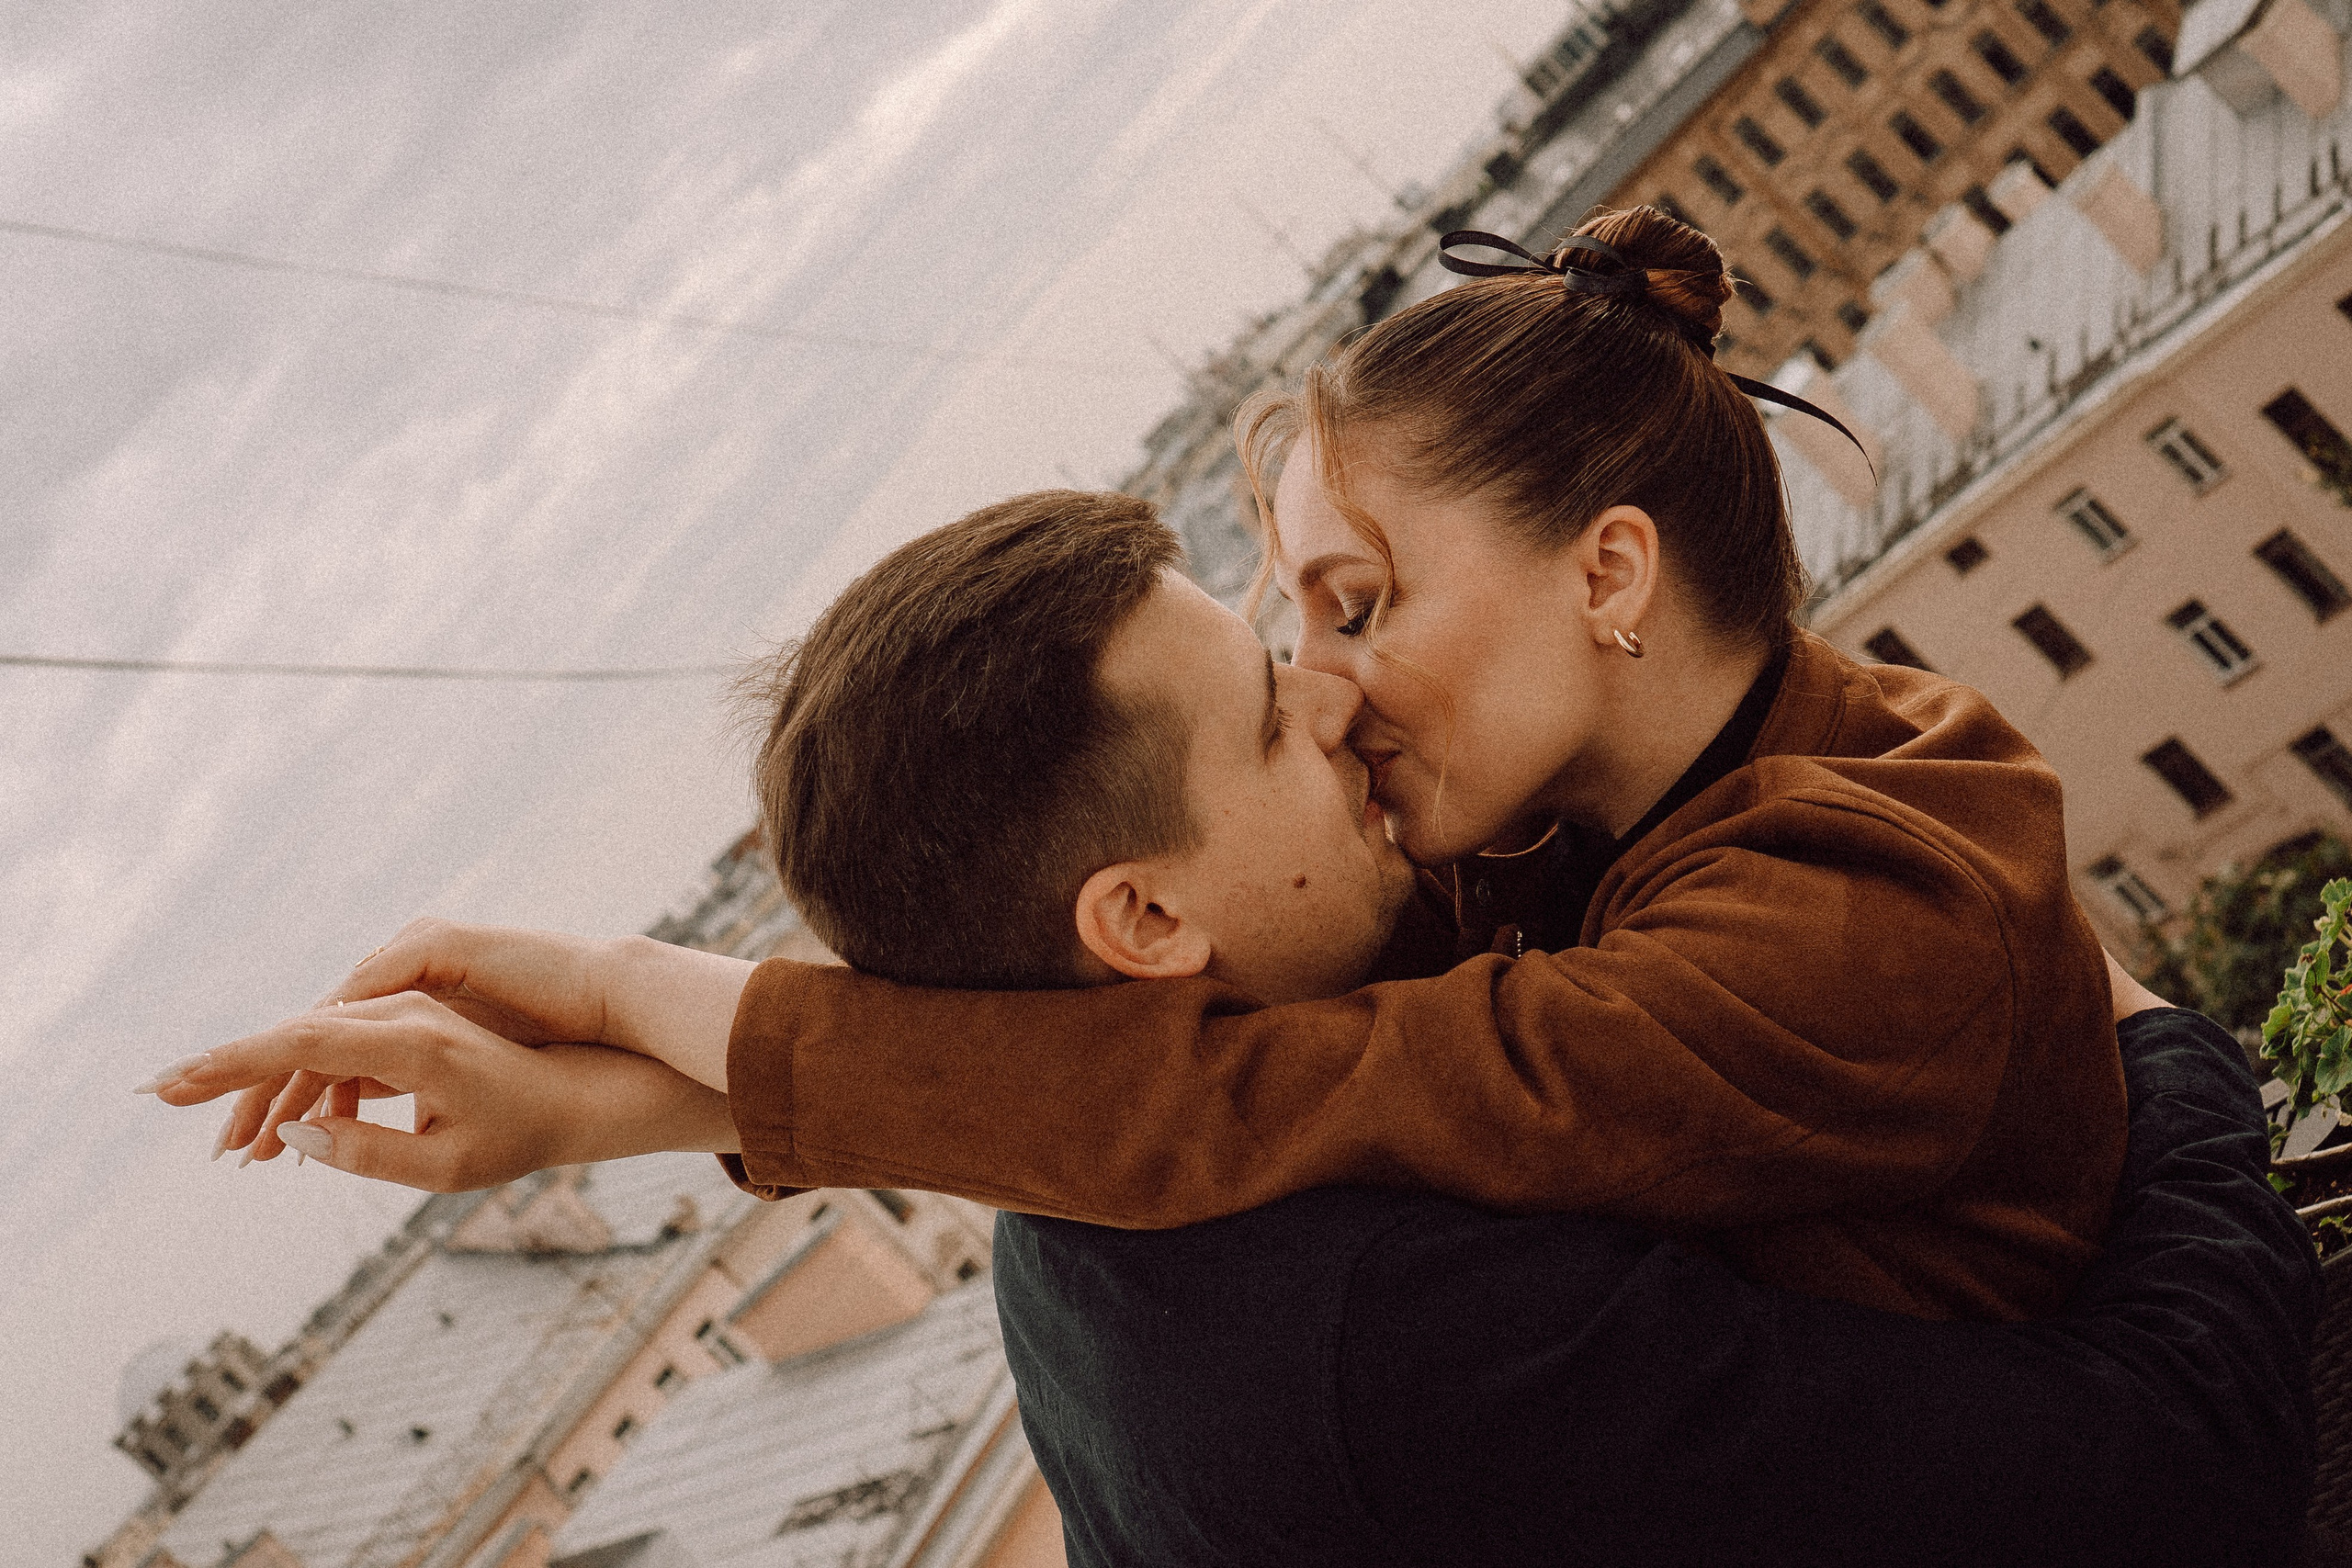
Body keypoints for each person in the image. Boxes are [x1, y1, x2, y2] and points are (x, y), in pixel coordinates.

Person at [144, 492, 2319, 1562]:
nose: (1340, 696)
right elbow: (2168, 1467)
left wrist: (616, 1084)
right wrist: (2156, 1054)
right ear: (1143, 918)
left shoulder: (1077, 1201)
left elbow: (1128, 1079)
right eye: (1274, 715)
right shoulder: (1404, 1323)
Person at [243, 206, 2127, 1324]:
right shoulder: (1602, 827)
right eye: (1293, 622)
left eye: (1359, 604)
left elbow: (1269, 1093)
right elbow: (1162, 1032)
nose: (1329, 690)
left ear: (1607, 575)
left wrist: (632, 995)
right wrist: (610, 1108)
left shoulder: (1851, 912)